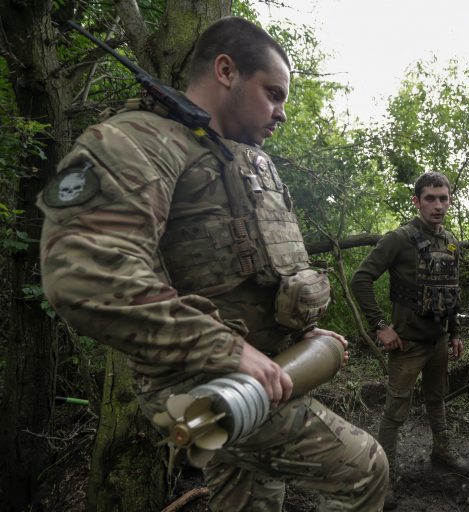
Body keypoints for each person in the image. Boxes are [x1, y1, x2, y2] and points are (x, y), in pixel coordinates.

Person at [37, 16, 387, 512]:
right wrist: (228, 349)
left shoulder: (239, 161)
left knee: (252, 500)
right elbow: (84, 277)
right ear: (226, 71)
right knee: (365, 469)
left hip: (261, 373)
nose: (281, 113)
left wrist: (299, 334)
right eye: (273, 94)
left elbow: (252, 273)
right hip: (202, 390)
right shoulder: (134, 141)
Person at [350, 171, 469, 509]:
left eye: (443, 198)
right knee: (395, 410)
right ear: (417, 201)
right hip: (407, 345)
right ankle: (383, 475)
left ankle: (442, 451)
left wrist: (455, 333)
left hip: (438, 341)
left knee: (437, 398)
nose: (438, 205)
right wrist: (380, 326)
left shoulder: (450, 242)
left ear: (450, 200)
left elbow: (451, 292)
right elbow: (361, 279)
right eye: (430, 198)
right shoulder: (399, 239)